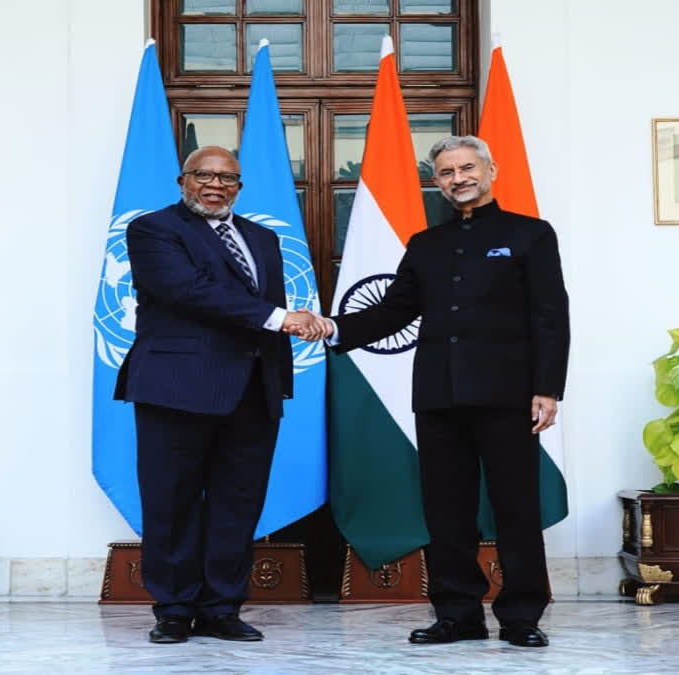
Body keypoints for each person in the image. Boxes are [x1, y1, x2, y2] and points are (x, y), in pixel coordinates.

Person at [295, 135, 570, 648]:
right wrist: (332, 327)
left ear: (491, 169)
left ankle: (521, 617)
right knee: (446, 512)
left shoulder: (531, 234)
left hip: (510, 396)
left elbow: (551, 317)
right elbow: (393, 311)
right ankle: (458, 614)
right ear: (437, 182)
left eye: (468, 167)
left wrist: (547, 389)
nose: (459, 178)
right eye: (447, 172)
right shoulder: (426, 246)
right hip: (440, 397)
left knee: (516, 510)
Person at [116, 146, 327, 644]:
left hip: (254, 390)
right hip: (176, 388)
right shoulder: (153, 230)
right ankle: (173, 608)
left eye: (227, 177)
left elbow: (261, 303)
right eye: (203, 175)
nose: (215, 184)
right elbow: (187, 291)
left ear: (239, 186)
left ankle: (222, 607)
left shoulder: (263, 238)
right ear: (182, 180)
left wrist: (279, 369)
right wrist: (282, 318)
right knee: (171, 502)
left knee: (238, 504)